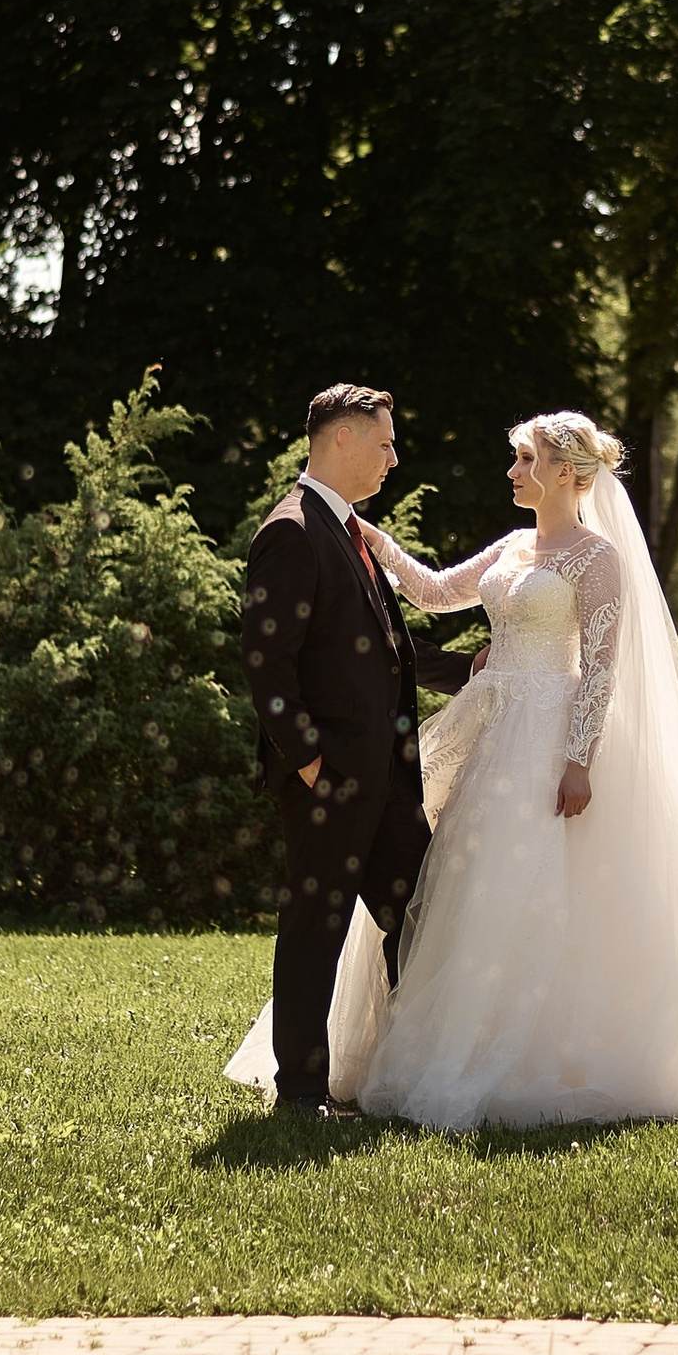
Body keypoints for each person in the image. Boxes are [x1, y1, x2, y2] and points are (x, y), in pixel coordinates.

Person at [228, 408, 678, 1127]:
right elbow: (438, 590)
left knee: (532, 887)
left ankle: (542, 1045)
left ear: (567, 473)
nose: (513, 472)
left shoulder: (598, 559)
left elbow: (602, 670)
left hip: (547, 738)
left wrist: (578, 759)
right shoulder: (513, 545)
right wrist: (374, 542)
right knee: (451, 889)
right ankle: (443, 1036)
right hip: (492, 733)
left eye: (525, 460)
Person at [239, 382, 466, 1111]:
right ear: (341, 438)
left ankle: (412, 1075)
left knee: (423, 919)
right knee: (316, 928)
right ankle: (301, 1093)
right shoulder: (292, 530)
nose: (393, 456)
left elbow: (391, 649)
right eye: (384, 442)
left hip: (388, 783)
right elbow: (266, 662)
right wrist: (309, 763)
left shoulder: (348, 530)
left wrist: (476, 670)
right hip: (329, 780)